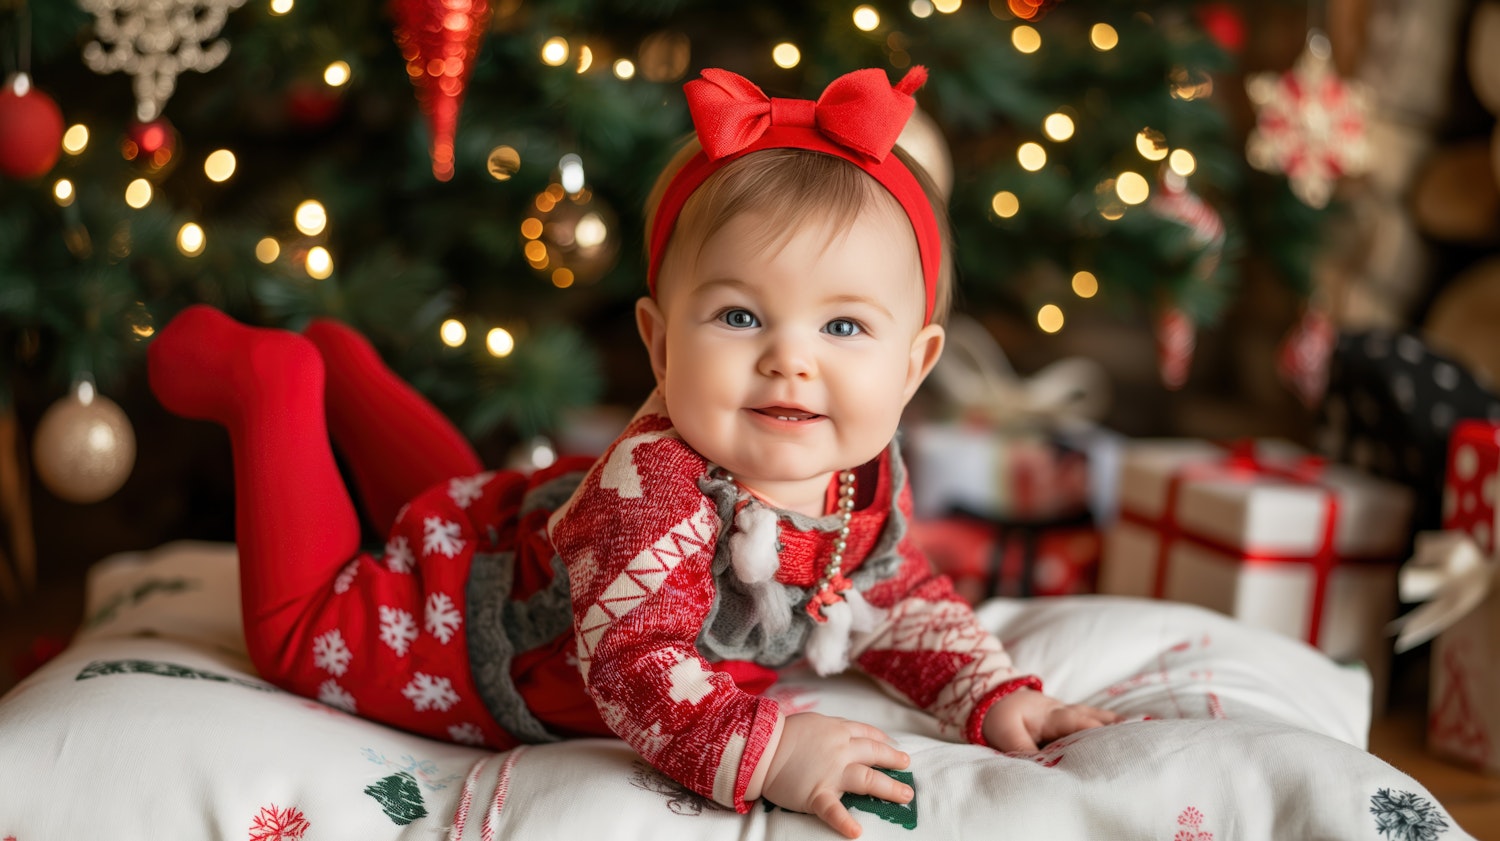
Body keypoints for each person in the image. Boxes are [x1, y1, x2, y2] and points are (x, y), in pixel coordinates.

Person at [147, 65, 1117, 838]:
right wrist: (769, 750)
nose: (790, 359)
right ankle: (268, 385)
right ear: (659, 343)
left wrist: (986, 694)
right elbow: (638, 665)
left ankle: (343, 367)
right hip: (456, 631)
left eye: (846, 328)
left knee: (451, 494)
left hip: (507, 525)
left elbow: (892, 592)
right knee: (298, 630)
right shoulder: (651, 492)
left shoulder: (859, 481)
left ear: (916, 367)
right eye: (741, 315)